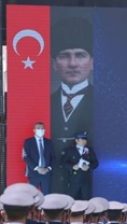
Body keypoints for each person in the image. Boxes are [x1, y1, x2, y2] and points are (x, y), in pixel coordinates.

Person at [51, 17, 94, 194]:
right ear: (54, 63)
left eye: (80, 55)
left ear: (92, 62)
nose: (73, 63)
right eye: (64, 56)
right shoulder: (46, 102)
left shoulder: (103, 103)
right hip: (54, 187)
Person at [63, 131, 99, 200]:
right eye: (82, 139)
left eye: (85, 139)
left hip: (86, 181)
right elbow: (63, 163)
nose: (84, 141)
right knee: (72, 201)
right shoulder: (70, 150)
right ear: (76, 140)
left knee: (86, 201)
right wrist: (73, 167)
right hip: (73, 181)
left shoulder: (89, 150)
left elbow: (96, 163)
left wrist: (89, 167)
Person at [22, 122, 54, 194]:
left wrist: (48, 168)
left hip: (46, 173)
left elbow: (53, 157)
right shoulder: (28, 142)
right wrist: (37, 168)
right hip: (34, 173)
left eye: (42, 128)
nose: (40, 130)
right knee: (31, 195)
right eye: (38, 128)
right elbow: (26, 157)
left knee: (46, 195)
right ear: (34, 130)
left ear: (44, 130)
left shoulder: (49, 142)